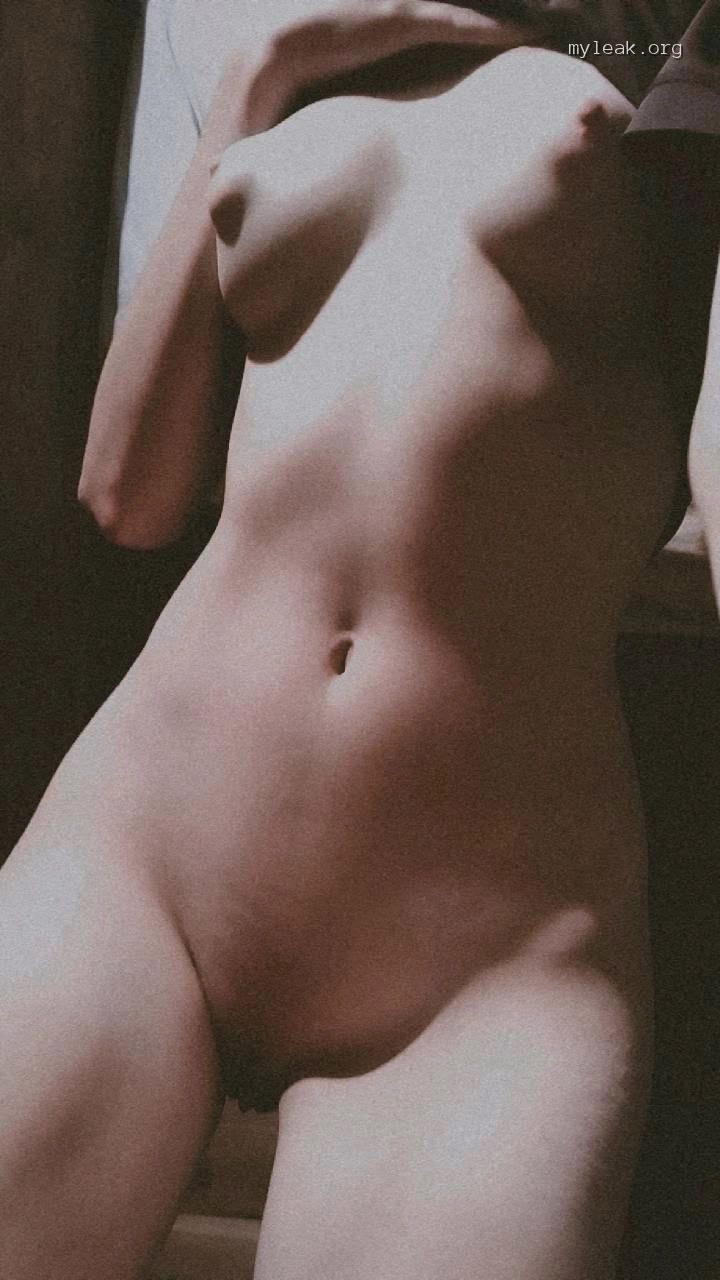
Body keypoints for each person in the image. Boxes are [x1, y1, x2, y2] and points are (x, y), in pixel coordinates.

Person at [0, 4, 717, 1280]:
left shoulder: (665, 63)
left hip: (481, 949)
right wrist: (258, 77)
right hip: (146, 842)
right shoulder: (298, 70)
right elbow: (127, 491)